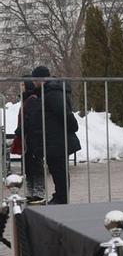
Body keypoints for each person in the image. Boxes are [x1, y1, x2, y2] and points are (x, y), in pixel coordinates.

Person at [15, 66, 80, 204]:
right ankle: (60, 196)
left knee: (59, 170)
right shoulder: (46, 93)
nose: (32, 82)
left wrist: (72, 127)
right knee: (56, 169)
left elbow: (64, 113)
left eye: (34, 79)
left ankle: (61, 198)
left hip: (57, 139)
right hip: (51, 139)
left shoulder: (52, 93)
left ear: (41, 79)